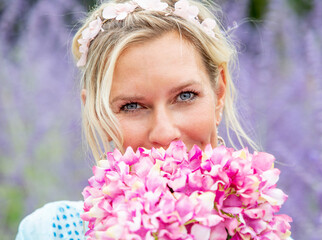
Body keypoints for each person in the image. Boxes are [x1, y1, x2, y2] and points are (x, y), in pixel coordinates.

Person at [15, 0, 259, 239]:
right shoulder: (49, 231)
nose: (164, 133)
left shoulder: (264, 233)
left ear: (219, 93)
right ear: (99, 116)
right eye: (132, 106)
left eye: (185, 96)